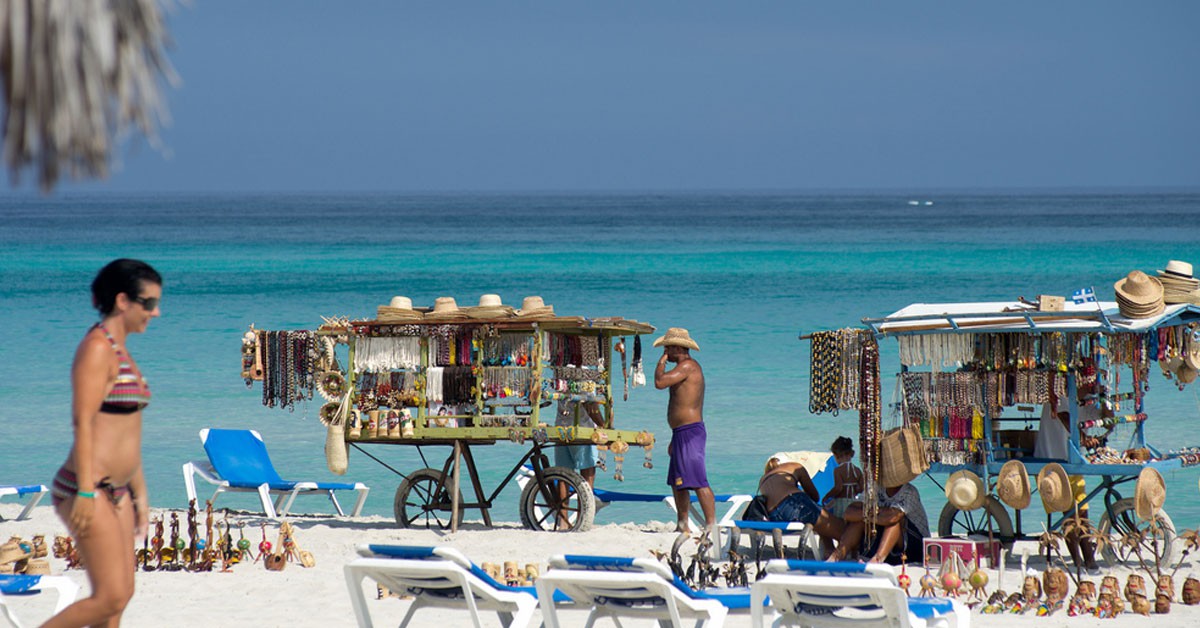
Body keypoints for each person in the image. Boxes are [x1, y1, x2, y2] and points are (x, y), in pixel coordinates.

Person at [47, 259, 161, 627]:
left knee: (119, 599)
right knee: (109, 596)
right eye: (149, 303)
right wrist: (82, 491)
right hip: (88, 487)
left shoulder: (122, 351)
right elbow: (83, 421)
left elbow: (127, 431)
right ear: (123, 301)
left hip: (119, 489)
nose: (155, 313)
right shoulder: (97, 348)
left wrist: (140, 494)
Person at [1035, 373, 1102, 571]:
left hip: (1070, 461)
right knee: (1069, 514)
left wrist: (1106, 403)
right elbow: (1065, 417)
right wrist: (1082, 437)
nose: (1091, 390)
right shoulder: (1060, 397)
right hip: (1052, 461)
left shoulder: (1082, 403)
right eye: (1089, 386)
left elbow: (1103, 419)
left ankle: (1087, 558)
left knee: (1082, 510)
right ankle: (1080, 560)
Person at [653, 327, 716, 534]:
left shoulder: (688, 366)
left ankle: (710, 524)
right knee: (678, 482)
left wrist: (661, 363)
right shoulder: (683, 368)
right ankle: (683, 524)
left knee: (697, 480)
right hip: (681, 432)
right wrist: (674, 437)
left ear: (678, 347)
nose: (666, 351)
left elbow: (660, 382)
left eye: (668, 348)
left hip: (690, 431)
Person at [827, 474, 928, 565]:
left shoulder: (909, 492)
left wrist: (872, 514)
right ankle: (837, 555)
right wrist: (870, 514)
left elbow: (892, 517)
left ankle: (877, 560)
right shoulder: (876, 488)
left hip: (914, 547)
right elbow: (849, 513)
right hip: (887, 543)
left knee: (894, 522)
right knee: (859, 519)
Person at [554, 399, 605, 528]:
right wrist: (603, 425)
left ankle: (563, 521)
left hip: (561, 428)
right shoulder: (587, 380)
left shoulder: (560, 378)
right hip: (582, 430)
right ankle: (583, 518)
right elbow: (590, 405)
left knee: (563, 476)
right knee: (587, 475)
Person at [819, 437, 863, 556]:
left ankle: (840, 548)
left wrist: (827, 496)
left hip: (841, 502)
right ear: (851, 454)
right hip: (853, 501)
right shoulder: (857, 470)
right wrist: (853, 490)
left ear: (837, 456)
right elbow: (861, 488)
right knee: (850, 526)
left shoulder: (838, 471)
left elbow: (838, 488)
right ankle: (854, 551)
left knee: (840, 525)